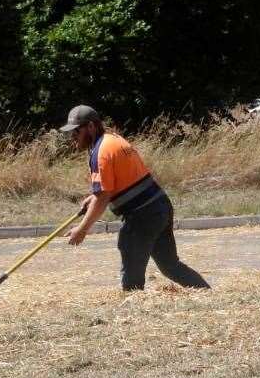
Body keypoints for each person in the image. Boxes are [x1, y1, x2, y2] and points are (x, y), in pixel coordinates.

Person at [59, 104, 210, 293]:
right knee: (171, 266)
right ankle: (207, 293)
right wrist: (94, 196)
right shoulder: (113, 140)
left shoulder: (101, 152)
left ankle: (133, 307)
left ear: (90, 126)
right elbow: (115, 184)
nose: (72, 137)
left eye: (76, 131)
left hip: (142, 216)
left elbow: (104, 196)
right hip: (160, 206)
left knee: (132, 277)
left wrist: (82, 229)